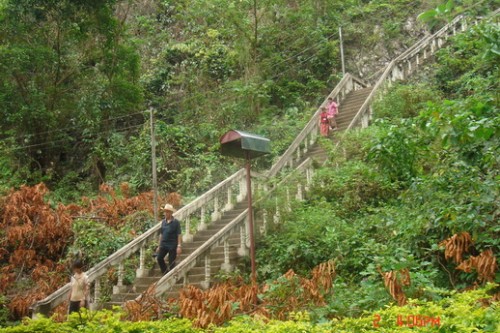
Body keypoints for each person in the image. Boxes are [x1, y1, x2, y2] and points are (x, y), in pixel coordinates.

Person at [156, 204, 182, 275]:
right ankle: (165, 273)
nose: (166, 213)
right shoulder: (163, 222)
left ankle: (171, 276)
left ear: (171, 213)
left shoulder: (176, 222)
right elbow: (161, 234)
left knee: (171, 263)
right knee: (159, 258)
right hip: (164, 244)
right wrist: (159, 245)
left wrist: (179, 246)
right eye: (165, 212)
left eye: (167, 212)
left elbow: (179, 234)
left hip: (172, 245)